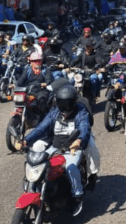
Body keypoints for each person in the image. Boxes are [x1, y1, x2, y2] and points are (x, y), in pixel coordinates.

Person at [18, 85, 92, 217]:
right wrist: (26, 140)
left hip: (72, 149)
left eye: (67, 104)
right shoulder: (54, 112)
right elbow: (41, 128)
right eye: (61, 103)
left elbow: (85, 128)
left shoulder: (81, 112)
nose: (64, 107)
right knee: (37, 164)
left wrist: (79, 141)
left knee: (71, 167)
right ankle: (33, 190)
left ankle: (77, 195)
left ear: (73, 102)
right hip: (55, 146)